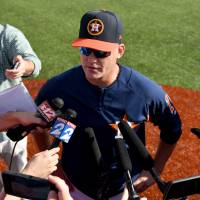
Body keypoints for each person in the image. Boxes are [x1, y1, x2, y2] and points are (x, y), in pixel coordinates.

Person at [34, 10, 182, 200]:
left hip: (126, 189)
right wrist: (55, 167)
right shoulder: (58, 88)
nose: (91, 60)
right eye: (85, 50)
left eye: (101, 52)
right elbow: (40, 125)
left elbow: (173, 128)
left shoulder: (145, 92)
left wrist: (155, 169)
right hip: (74, 187)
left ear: (120, 51)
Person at [0, 23, 41, 191]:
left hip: (12, 128)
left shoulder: (7, 35)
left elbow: (33, 63)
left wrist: (24, 66)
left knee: (20, 177)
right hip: (14, 118)